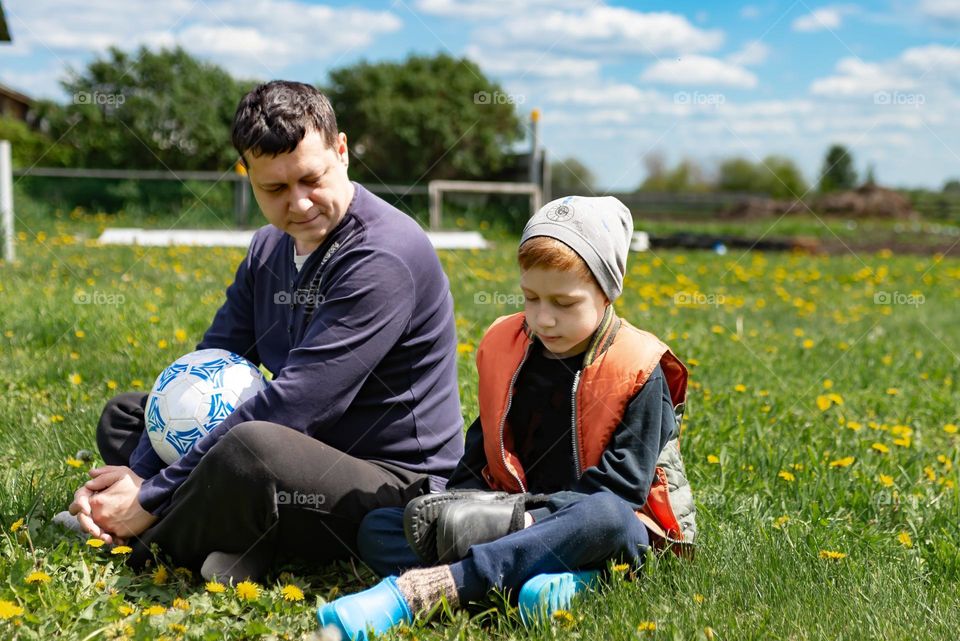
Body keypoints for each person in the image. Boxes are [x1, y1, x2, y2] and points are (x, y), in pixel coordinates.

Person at [65, 81, 464, 581]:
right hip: (295, 454)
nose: (298, 205)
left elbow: (298, 405)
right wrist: (144, 470)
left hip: (387, 484)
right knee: (128, 416)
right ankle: (238, 541)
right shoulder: (267, 249)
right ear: (247, 176)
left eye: (311, 179)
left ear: (341, 151)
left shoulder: (383, 256)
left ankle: (139, 536)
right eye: (274, 189)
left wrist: (147, 497)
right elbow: (207, 363)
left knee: (252, 451)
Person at [316, 195, 696, 639]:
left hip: (603, 530)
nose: (544, 318)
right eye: (531, 298)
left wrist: (526, 520)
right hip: (508, 517)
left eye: (564, 302)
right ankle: (546, 586)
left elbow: (621, 490)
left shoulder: (639, 369)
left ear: (609, 290)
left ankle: (433, 589)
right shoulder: (508, 347)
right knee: (378, 528)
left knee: (606, 517)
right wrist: (458, 509)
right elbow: (478, 457)